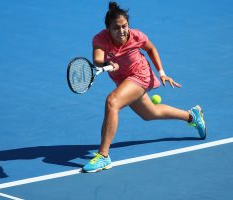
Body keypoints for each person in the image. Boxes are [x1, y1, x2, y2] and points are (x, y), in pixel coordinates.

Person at [82, 2, 206, 173]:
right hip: (124, 80)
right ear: (108, 29)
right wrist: (106, 62)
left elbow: (151, 49)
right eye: (116, 28)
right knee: (150, 114)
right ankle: (192, 116)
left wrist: (161, 73)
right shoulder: (100, 39)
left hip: (141, 75)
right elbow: (97, 58)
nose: (122, 31)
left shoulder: (136, 36)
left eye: (124, 26)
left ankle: (103, 156)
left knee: (112, 102)